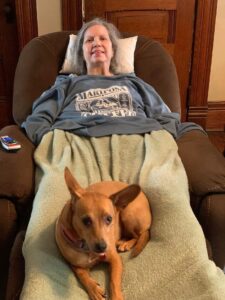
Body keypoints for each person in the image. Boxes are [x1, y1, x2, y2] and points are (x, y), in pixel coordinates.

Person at [22, 18, 202, 145]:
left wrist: (159, 142)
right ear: (81, 53)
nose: (96, 43)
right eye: (89, 40)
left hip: (137, 141)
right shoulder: (66, 85)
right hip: (78, 142)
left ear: (113, 50)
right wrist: (57, 144)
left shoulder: (135, 84)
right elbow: (38, 121)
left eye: (103, 39)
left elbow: (165, 117)